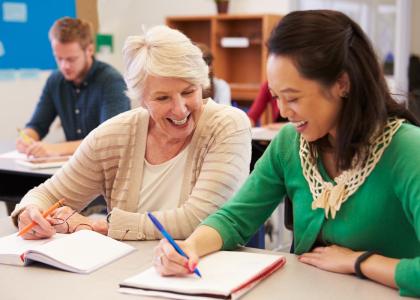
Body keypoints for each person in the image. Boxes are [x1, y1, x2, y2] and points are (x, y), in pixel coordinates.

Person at [152, 10, 420, 297]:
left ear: (342, 83)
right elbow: (234, 218)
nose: (281, 111)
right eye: (277, 96)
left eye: (292, 97)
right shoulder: (291, 144)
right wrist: (189, 247)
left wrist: (359, 262)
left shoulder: (407, 149)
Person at [11, 25, 252, 242]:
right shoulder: (115, 134)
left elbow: (200, 220)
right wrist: (28, 212)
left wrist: (97, 226)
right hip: (127, 274)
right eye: (162, 97)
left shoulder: (228, 126)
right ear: (141, 98)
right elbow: (47, 194)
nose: (179, 108)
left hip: (206, 274)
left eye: (189, 92)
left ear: (202, 84)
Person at [16, 17, 130, 158]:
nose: (65, 66)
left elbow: (108, 140)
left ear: (89, 50)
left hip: (107, 167)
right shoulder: (55, 81)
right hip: (74, 166)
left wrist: (54, 149)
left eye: (71, 59)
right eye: (59, 58)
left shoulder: (111, 81)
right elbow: (37, 125)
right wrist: (27, 138)